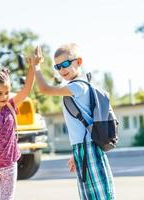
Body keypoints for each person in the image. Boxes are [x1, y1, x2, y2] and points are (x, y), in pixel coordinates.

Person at [28, 44, 115, 200]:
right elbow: (81, 124)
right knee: (89, 194)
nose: (62, 70)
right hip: (83, 147)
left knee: (99, 195)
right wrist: (77, 153)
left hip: (89, 147)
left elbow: (44, 89)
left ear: (79, 61)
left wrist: (37, 67)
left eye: (66, 64)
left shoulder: (78, 87)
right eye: (58, 66)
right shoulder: (74, 87)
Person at [0, 63, 35, 200]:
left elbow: (26, 90)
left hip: (10, 166)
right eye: (0, 93)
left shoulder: (11, 106)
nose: (4, 96)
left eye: (7, 92)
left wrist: (33, 66)